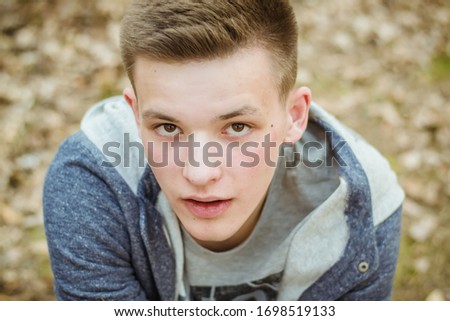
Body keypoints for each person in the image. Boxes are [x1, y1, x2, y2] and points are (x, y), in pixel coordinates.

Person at [43, 0, 404, 301]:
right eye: (168, 128)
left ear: (294, 116)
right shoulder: (91, 184)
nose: (200, 172)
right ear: (135, 115)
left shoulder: (363, 200)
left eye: (237, 127)